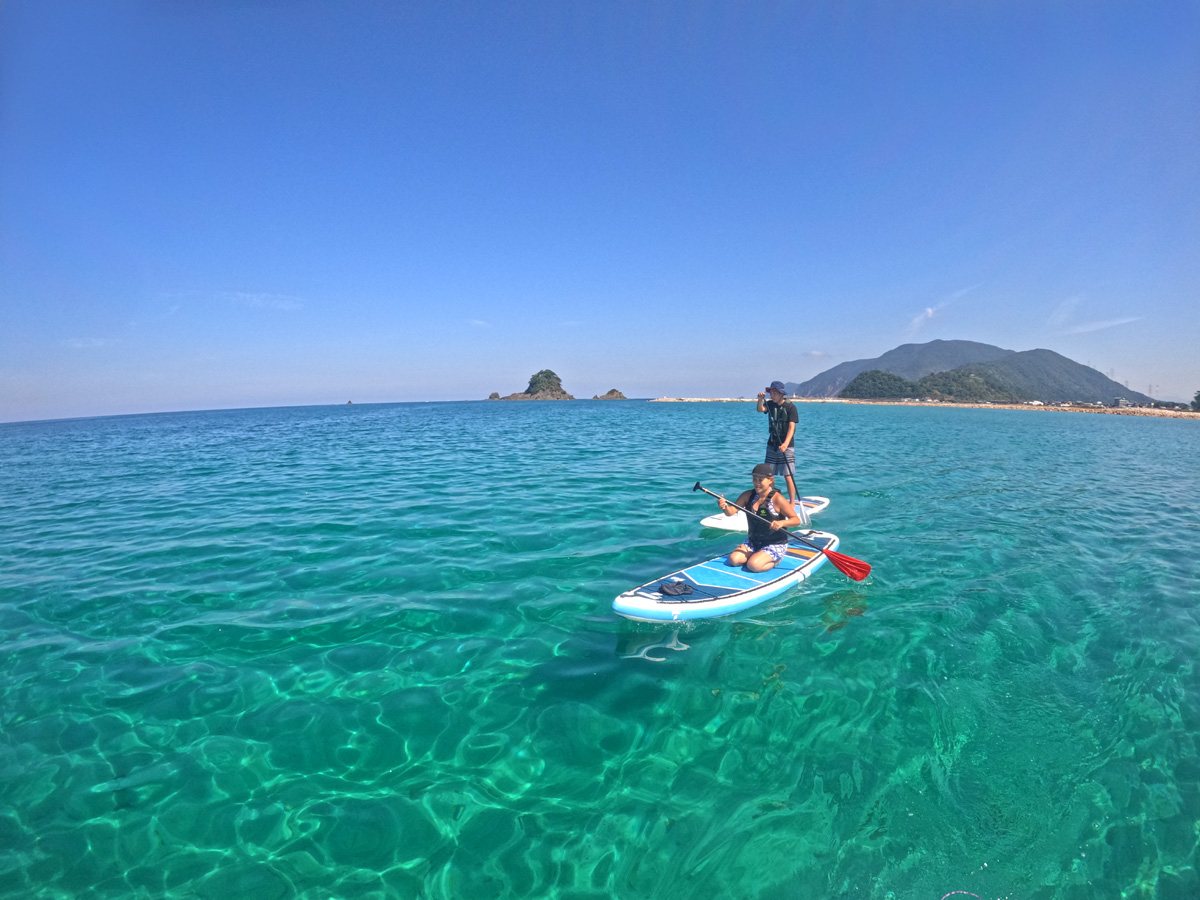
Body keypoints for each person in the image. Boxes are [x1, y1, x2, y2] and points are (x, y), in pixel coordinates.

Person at [716, 463, 803, 572]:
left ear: (770, 480)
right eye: (754, 479)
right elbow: (730, 512)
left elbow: (796, 520)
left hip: (774, 543)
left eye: (760, 480)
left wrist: (782, 523)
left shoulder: (777, 499)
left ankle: (776, 560)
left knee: (753, 565)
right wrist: (724, 507)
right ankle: (758, 554)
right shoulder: (748, 495)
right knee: (734, 560)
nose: (757, 483)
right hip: (754, 541)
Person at [756, 380, 807, 524]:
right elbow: (760, 409)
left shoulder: (791, 407)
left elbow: (792, 428)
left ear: (781, 394)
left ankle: (791, 503)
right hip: (772, 444)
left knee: (787, 475)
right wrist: (760, 399)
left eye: (774, 393)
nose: (771, 395)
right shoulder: (770, 405)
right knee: (768, 475)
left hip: (787, 446)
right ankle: (769, 500)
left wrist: (785, 444)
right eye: (770, 393)